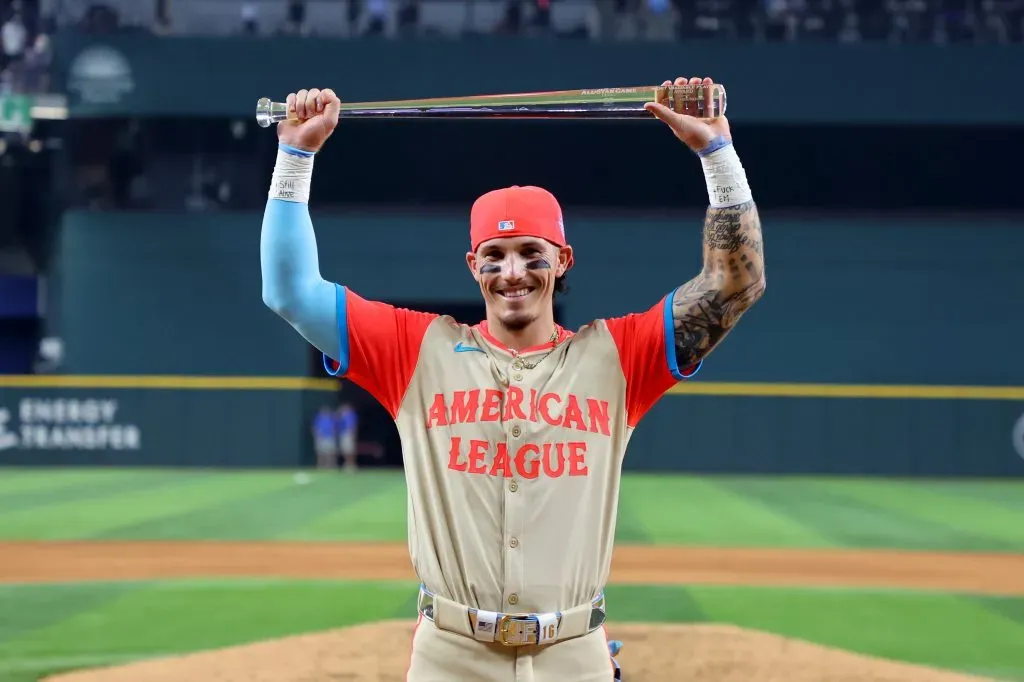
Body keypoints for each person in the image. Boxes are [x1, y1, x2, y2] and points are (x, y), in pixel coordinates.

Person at [261, 77, 765, 681]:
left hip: (572, 653)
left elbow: (734, 286)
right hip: (451, 654)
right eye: (495, 256)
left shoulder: (617, 357)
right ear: (473, 266)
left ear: (563, 260)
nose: (513, 271)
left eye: (532, 252)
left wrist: (717, 153)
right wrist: (296, 156)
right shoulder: (416, 350)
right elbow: (290, 292)